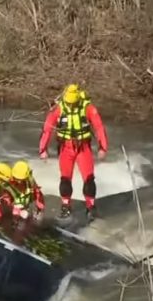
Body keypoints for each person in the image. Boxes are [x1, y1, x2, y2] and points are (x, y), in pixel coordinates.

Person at [38, 84, 109, 220]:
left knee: (89, 179)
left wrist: (103, 147)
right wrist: (43, 150)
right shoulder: (58, 109)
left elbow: (99, 127)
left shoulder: (88, 108)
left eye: (73, 103)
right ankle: (65, 206)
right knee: (65, 179)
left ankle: (90, 207)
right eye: (69, 103)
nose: (71, 106)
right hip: (66, 147)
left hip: (83, 147)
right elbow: (47, 129)